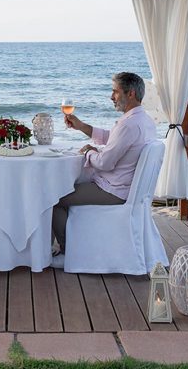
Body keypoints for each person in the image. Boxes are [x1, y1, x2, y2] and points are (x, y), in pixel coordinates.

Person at [50, 72, 157, 268]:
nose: (111, 97)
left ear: (130, 93)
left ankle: (68, 253)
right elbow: (112, 138)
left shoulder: (129, 124)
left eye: (115, 92)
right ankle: (75, 244)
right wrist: (82, 126)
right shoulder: (144, 120)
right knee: (66, 187)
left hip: (113, 190)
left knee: (54, 198)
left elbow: (105, 163)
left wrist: (89, 153)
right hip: (127, 187)